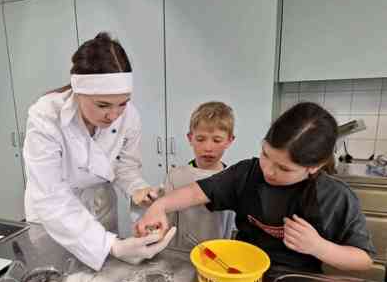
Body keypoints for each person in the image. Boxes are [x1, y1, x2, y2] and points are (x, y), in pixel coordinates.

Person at [136, 102, 375, 272]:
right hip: (241, 271)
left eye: (284, 169)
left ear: (315, 166)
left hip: (297, 280)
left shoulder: (335, 197)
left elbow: (363, 260)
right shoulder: (247, 173)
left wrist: (319, 247)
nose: (269, 170)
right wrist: (160, 205)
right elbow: (196, 191)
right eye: (265, 154)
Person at [23, 32, 176, 271]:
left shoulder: (130, 116)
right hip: (52, 218)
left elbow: (125, 166)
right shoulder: (46, 116)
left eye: (122, 103)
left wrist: (137, 189)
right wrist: (110, 245)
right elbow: (51, 195)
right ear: (79, 91)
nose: (114, 115)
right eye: (103, 105)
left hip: (100, 207)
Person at [164, 101, 237, 249]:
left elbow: (233, 224)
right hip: (181, 253)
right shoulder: (176, 176)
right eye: (200, 139)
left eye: (217, 140)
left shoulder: (234, 178)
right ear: (190, 138)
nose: (208, 148)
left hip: (219, 254)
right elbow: (166, 220)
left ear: (230, 140)